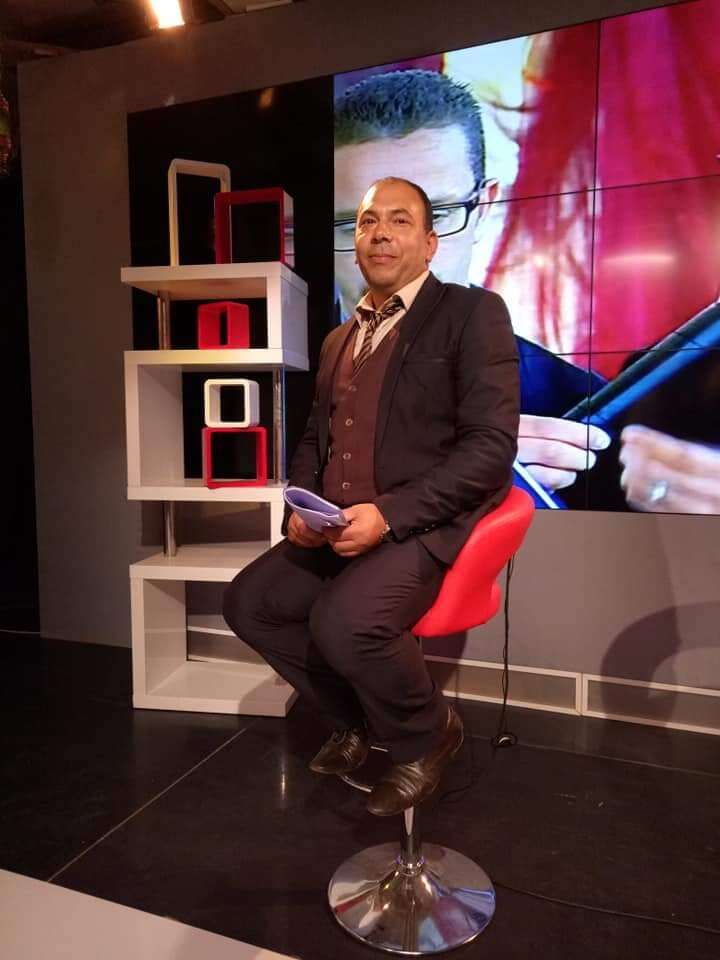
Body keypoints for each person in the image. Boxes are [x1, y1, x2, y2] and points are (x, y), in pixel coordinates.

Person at [223, 176, 520, 816]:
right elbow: (316, 438)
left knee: (344, 621)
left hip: (417, 526)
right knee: (250, 604)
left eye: (399, 220)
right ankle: (353, 718)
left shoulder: (472, 314)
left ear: (431, 241)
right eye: (366, 222)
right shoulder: (338, 338)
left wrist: (387, 516)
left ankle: (428, 736)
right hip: (333, 524)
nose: (380, 233)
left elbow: (491, 450)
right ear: (355, 242)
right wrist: (300, 506)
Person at [334, 69, 610, 499]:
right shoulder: (278, 384)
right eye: (357, 224)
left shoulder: (580, 411)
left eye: (437, 216)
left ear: (484, 207)